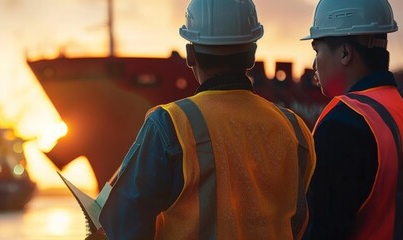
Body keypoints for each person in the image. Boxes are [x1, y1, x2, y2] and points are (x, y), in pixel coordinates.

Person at [96, 0, 316, 238]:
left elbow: (122, 224)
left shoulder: (169, 124)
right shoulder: (295, 129)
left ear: (190, 55)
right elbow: (302, 220)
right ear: (252, 55)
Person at [300, 0, 403, 239]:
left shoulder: (344, 123)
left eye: (317, 51)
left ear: (346, 52)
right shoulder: (402, 116)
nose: (314, 64)